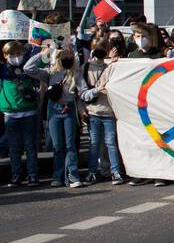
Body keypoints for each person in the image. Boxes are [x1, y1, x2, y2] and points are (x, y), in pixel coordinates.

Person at [25, 43, 82, 188]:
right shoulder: (49, 73)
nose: (67, 57)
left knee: (70, 145)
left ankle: (73, 176)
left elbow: (83, 91)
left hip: (69, 109)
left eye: (70, 55)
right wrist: (44, 53)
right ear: (58, 57)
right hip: (54, 110)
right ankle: (58, 176)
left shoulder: (75, 73)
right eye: (64, 55)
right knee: (57, 146)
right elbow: (28, 68)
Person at [78, 38, 125, 185]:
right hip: (93, 112)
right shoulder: (85, 68)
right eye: (96, 47)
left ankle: (115, 171)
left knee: (111, 143)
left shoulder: (112, 65)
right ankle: (92, 172)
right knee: (95, 143)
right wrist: (82, 108)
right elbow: (80, 92)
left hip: (109, 112)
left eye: (103, 48)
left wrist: (113, 61)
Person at [1, 40, 41, 187]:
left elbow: (39, 57)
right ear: (5, 55)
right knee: (14, 147)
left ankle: (32, 175)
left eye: (19, 53)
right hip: (10, 114)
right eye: (12, 54)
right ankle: (16, 175)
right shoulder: (2, 70)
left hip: (29, 112)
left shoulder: (28, 67)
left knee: (30, 146)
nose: (16, 56)